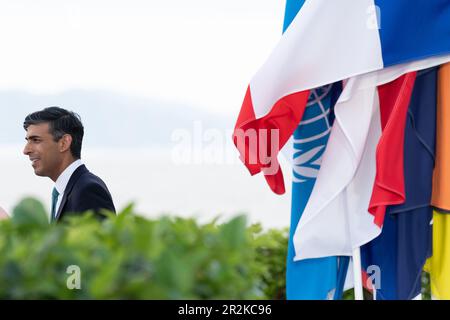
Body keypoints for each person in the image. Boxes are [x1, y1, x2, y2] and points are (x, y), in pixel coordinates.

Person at [23, 107, 116, 223]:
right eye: (27, 141)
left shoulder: (88, 190)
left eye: (36, 140)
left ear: (64, 143)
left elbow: (98, 241)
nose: (26, 150)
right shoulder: (66, 189)